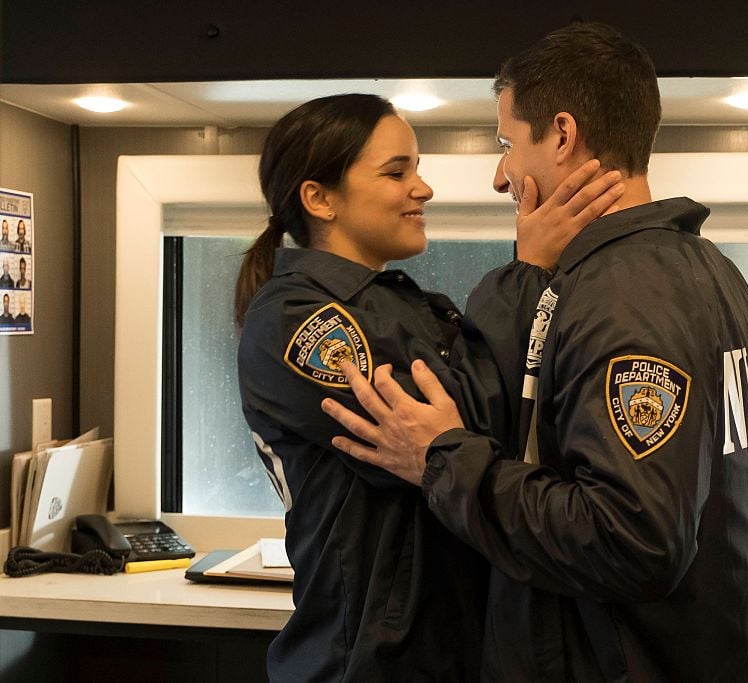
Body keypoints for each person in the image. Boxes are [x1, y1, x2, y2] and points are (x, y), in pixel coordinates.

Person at [323, 22, 748, 682]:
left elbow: (634, 539)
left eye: (507, 145)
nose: (500, 176)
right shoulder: (714, 274)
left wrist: (442, 459)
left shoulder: (622, 293)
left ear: (563, 136)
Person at [235, 93, 622, 682]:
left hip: (438, 651)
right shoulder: (295, 321)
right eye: (397, 173)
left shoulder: (402, 305)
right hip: (369, 663)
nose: (423, 188)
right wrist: (527, 270)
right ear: (319, 199)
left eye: (416, 168)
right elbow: (456, 431)